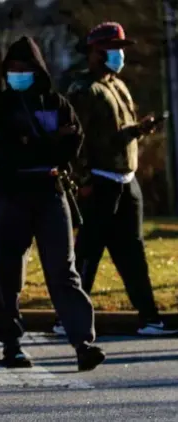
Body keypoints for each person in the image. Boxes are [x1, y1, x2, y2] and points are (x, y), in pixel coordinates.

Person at [0, 35, 105, 371]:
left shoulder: (56, 102)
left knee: (63, 271)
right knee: (7, 271)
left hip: (50, 192)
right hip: (12, 194)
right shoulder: (0, 104)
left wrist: (43, 146)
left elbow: (75, 141)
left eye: (24, 68)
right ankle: (11, 344)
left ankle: (83, 343)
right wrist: (51, 144)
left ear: (38, 70)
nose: (17, 73)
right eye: (11, 68)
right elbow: (7, 148)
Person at [65, 22, 177, 336]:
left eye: (119, 50)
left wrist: (138, 130)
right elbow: (75, 140)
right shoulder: (83, 90)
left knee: (133, 252)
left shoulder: (117, 86)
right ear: (92, 53)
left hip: (126, 181)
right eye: (110, 50)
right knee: (89, 251)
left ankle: (149, 317)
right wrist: (82, 179)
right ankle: (70, 318)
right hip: (99, 181)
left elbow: (114, 135)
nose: (117, 56)